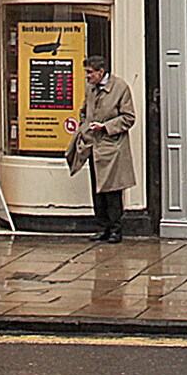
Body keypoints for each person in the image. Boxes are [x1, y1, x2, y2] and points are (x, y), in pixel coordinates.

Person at [73, 54, 136, 242]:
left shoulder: (120, 88)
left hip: (113, 148)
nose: (87, 77)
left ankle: (116, 229)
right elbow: (84, 110)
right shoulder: (90, 88)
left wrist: (105, 127)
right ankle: (102, 227)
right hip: (95, 145)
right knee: (97, 189)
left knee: (112, 191)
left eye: (90, 73)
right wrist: (84, 126)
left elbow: (129, 117)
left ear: (101, 72)